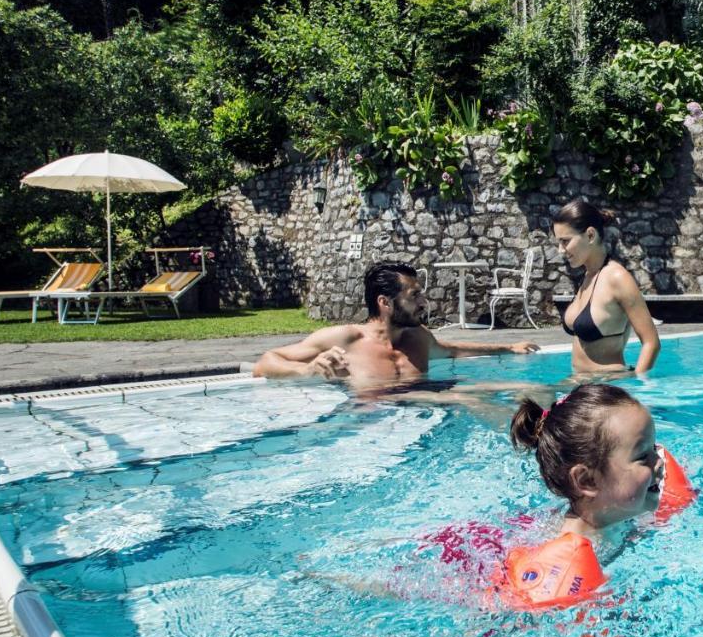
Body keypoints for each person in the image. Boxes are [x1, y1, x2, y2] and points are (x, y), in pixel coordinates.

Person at [498, 383, 665, 607]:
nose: (660, 461)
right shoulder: (571, 561)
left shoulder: (616, 513)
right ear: (587, 480)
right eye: (643, 456)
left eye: (654, 448)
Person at [253, 261, 538, 391]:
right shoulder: (347, 338)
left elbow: (451, 350)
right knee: (471, 400)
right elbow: (264, 363)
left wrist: (509, 347)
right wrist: (306, 370)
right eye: (415, 296)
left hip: (426, 411)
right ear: (385, 303)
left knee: (527, 390)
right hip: (374, 425)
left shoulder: (418, 337)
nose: (424, 303)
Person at [552, 200, 660, 374]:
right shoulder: (588, 277)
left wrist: (638, 387)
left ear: (590, 235)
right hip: (581, 384)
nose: (560, 250)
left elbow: (651, 342)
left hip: (608, 385)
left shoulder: (617, 278)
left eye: (565, 241)